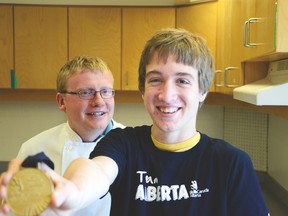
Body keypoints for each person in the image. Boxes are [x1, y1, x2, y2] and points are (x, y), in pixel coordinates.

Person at [0, 29, 269, 216]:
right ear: (142, 89)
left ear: (202, 91)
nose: (167, 94)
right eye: (155, 79)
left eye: (183, 80)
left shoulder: (231, 164)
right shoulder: (124, 143)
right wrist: (72, 191)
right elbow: (94, 170)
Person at [1, 55, 125, 216]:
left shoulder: (133, 146)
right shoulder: (35, 149)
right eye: (86, 92)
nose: (99, 101)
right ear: (61, 101)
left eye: (106, 91)